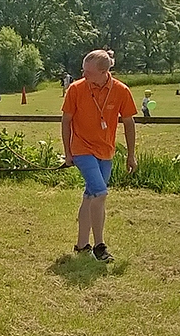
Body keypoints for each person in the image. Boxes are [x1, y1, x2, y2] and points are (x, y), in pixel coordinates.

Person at [61, 49, 137, 262]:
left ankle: (81, 244)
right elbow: (66, 121)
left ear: (104, 72)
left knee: (91, 195)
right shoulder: (76, 89)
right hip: (81, 149)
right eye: (83, 71)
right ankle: (99, 246)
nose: (83, 75)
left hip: (106, 151)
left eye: (88, 72)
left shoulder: (121, 90)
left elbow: (129, 123)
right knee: (101, 193)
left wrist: (131, 155)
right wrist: (68, 152)